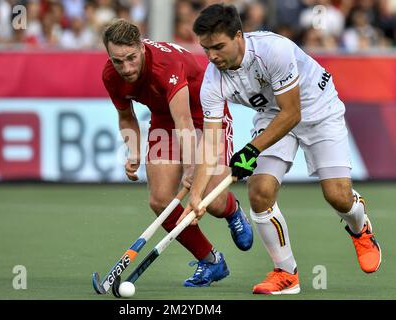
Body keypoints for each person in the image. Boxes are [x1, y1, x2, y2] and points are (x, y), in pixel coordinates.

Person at [178, 4, 381, 294]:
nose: (212, 56)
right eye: (206, 48)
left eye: (218, 47)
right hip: (273, 116)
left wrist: (249, 151)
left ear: (239, 36)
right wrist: (197, 197)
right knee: (259, 192)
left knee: (337, 196)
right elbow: (211, 144)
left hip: (317, 109)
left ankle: (360, 228)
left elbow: (292, 113)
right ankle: (286, 273)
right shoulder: (212, 80)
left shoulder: (274, 50)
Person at [101, 19, 253, 287]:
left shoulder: (164, 65)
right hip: (164, 119)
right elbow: (126, 116)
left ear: (141, 47)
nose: (126, 68)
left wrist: (193, 166)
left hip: (206, 116)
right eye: (117, 61)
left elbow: (184, 120)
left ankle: (232, 211)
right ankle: (211, 261)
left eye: (131, 58)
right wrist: (134, 150)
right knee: (160, 201)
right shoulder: (111, 75)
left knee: (212, 201)